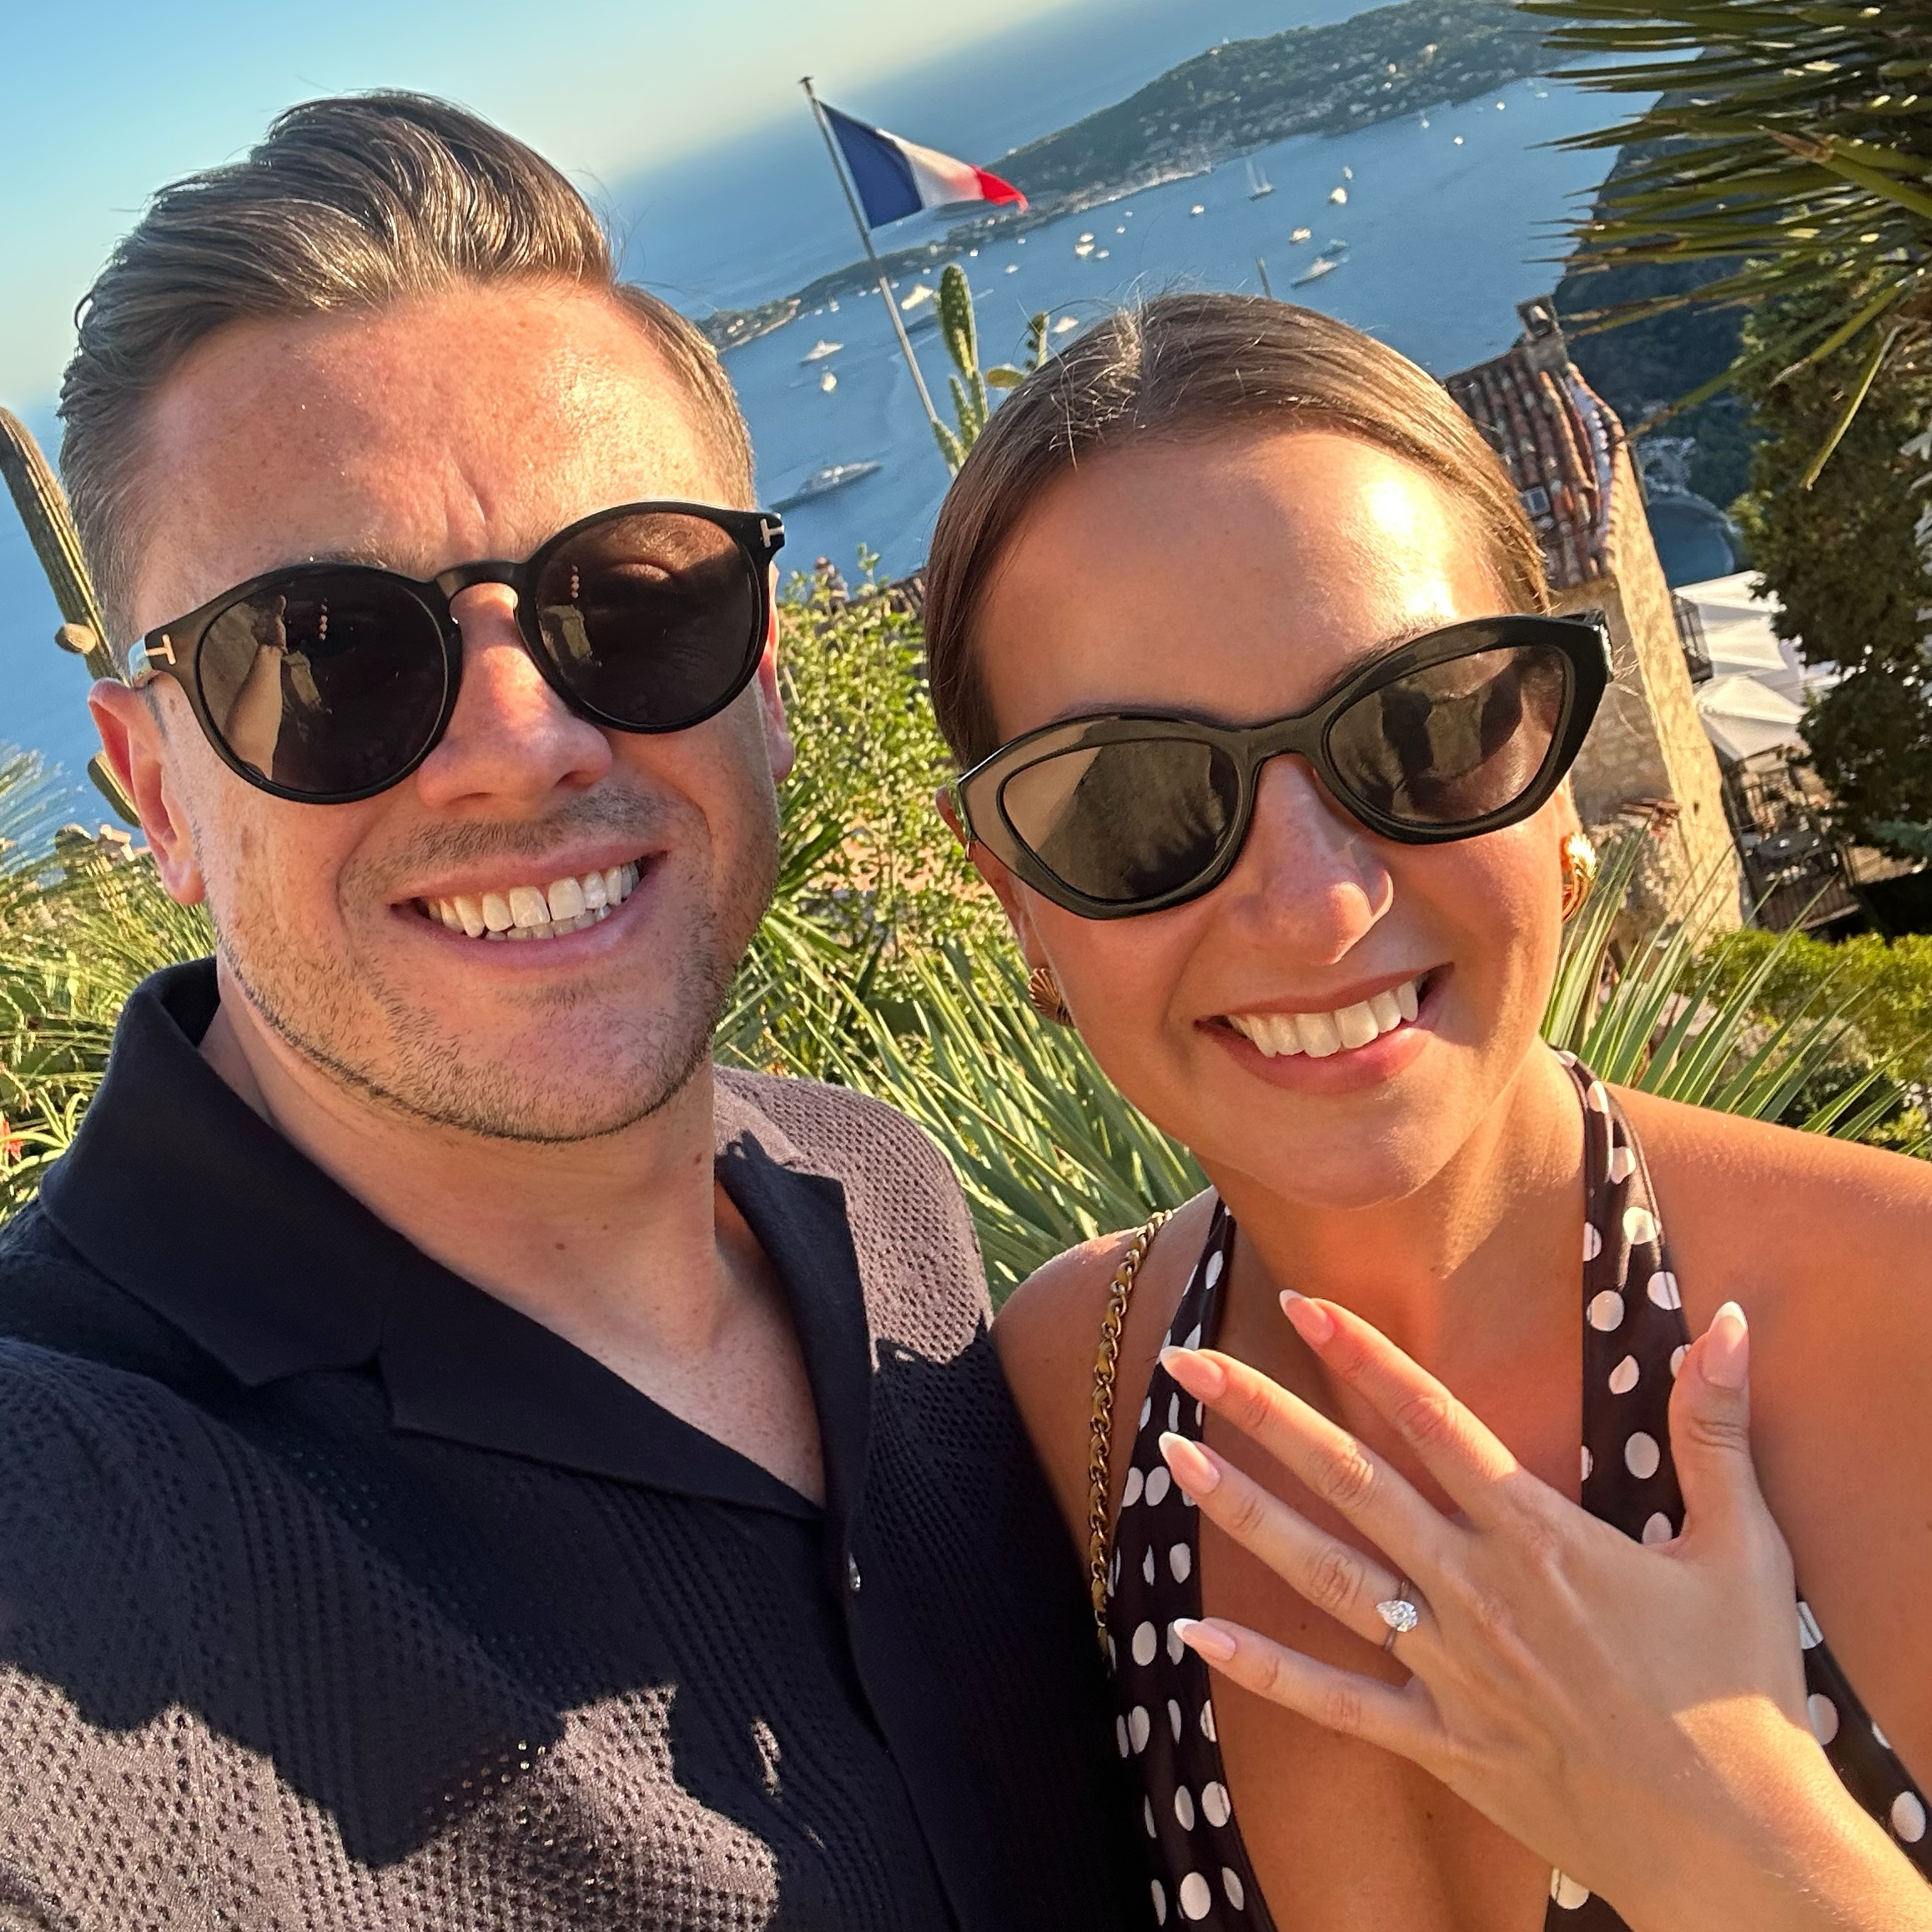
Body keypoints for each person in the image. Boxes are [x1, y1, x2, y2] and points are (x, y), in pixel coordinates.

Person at [0, 95, 1152, 1929]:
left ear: (763, 673)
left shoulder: (891, 1212)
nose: (524, 743)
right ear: (156, 795)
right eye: (330, 653)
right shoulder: (65, 1540)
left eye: (631, 603)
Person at [922, 291, 1932, 1930]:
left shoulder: (1905, 1325)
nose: (1315, 902)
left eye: (1424, 728)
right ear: (1025, 907)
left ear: (1558, 774)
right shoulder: (1074, 1398)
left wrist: (1743, 1848)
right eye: (1136, 800)